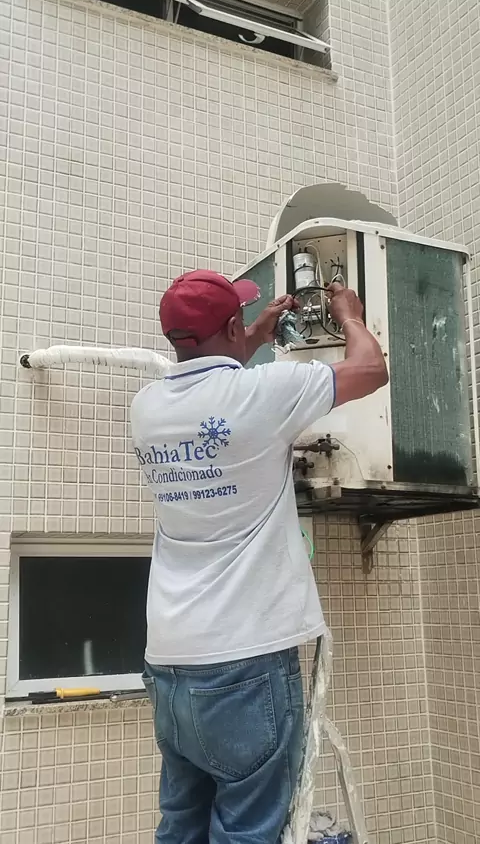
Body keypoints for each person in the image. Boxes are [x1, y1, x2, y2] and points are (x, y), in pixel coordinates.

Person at [130, 270, 388, 844]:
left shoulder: (146, 408)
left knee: (181, 827)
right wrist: (349, 315)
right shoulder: (266, 392)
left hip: (171, 663)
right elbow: (371, 369)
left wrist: (255, 334)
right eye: (240, 319)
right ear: (229, 326)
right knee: (250, 831)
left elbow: (217, 384)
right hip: (245, 663)